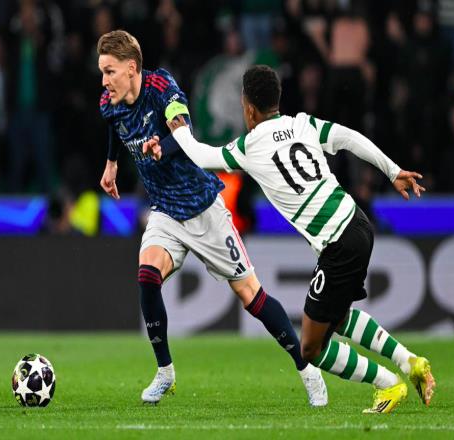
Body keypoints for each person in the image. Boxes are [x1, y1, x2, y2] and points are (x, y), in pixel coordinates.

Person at [144, 65, 436, 414]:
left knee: (311, 348)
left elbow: (202, 156)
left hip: (337, 243)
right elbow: (350, 138)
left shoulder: (249, 146)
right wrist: (392, 170)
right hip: (358, 223)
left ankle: (388, 383)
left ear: (248, 108)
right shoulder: (303, 124)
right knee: (338, 317)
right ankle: (409, 361)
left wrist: (177, 127)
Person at [96, 31, 327, 406]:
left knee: (251, 296)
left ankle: (308, 370)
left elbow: (184, 130)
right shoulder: (110, 101)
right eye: (102, 72)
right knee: (147, 277)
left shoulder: (162, 87)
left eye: (110, 71)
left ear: (132, 68)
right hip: (165, 210)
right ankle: (165, 372)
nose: (104, 81)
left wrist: (163, 146)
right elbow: (113, 124)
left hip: (203, 208)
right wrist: (111, 164)